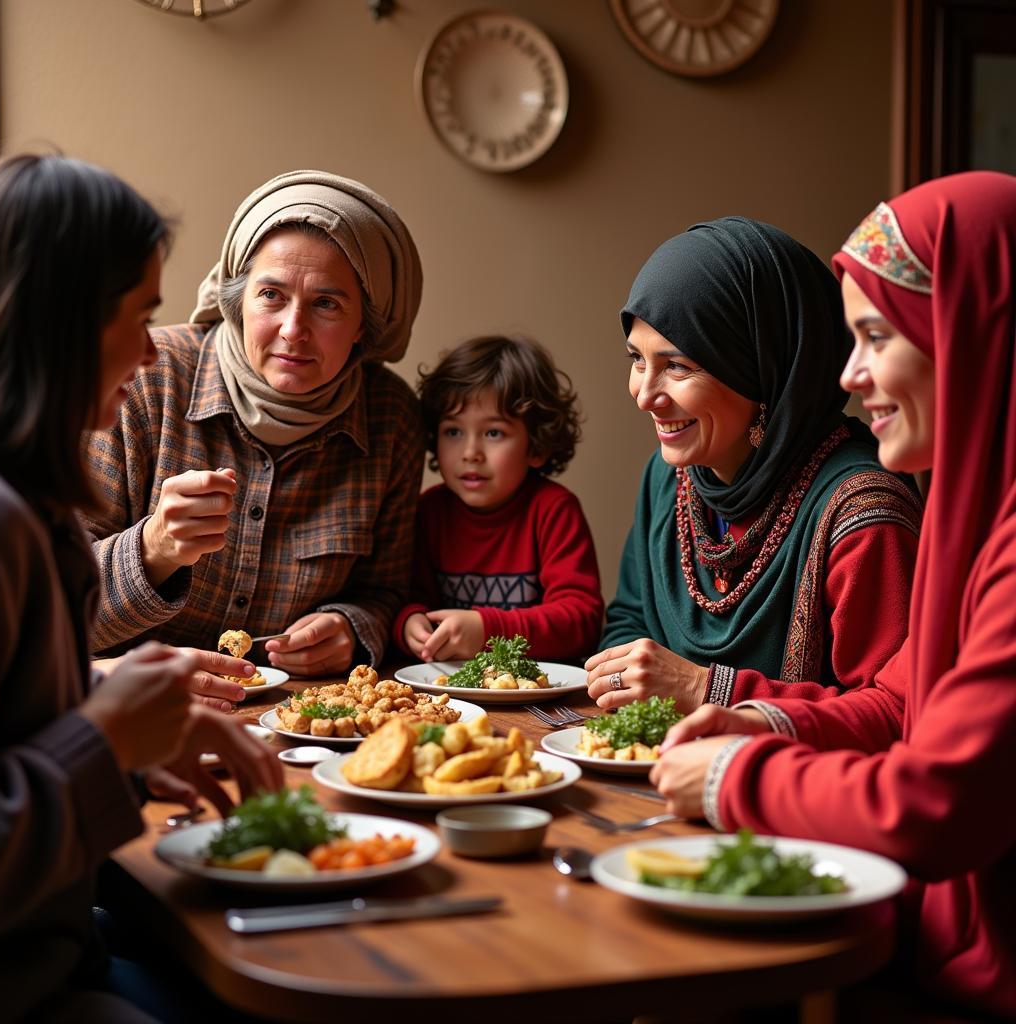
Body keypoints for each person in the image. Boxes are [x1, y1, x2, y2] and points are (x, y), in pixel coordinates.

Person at [653, 172, 1016, 1019]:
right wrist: (763, 717)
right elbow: (899, 701)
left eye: (877, 336)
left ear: (968, 335)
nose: (850, 376)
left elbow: (936, 806)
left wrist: (735, 776)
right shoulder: (978, 511)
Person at [0, 154, 283, 1024]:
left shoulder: (32, 507)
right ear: (64, 324)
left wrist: (112, 712)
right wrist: (102, 740)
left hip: (60, 944)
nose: (156, 346)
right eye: (140, 315)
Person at [82, 170, 424, 681]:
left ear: (364, 326)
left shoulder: (391, 417)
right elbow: (47, 613)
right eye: (271, 295)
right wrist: (153, 547)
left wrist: (351, 627)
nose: (293, 330)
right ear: (236, 299)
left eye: (326, 303)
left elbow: (385, 590)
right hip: (140, 712)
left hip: (304, 720)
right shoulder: (144, 380)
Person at [586, 218, 922, 713]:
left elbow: (893, 712)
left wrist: (705, 690)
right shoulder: (669, 477)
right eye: (637, 359)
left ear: (762, 372)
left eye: (677, 366)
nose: (645, 395)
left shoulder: (863, 513)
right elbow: (628, 623)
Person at [394, 334, 604, 663]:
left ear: (535, 446)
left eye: (493, 433)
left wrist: (489, 631)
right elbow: (408, 597)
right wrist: (409, 621)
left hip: (536, 692)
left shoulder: (553, 510)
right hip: (445, 689)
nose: (470, 453)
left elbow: (581, 620)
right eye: (453, 431)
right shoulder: (429, 511)